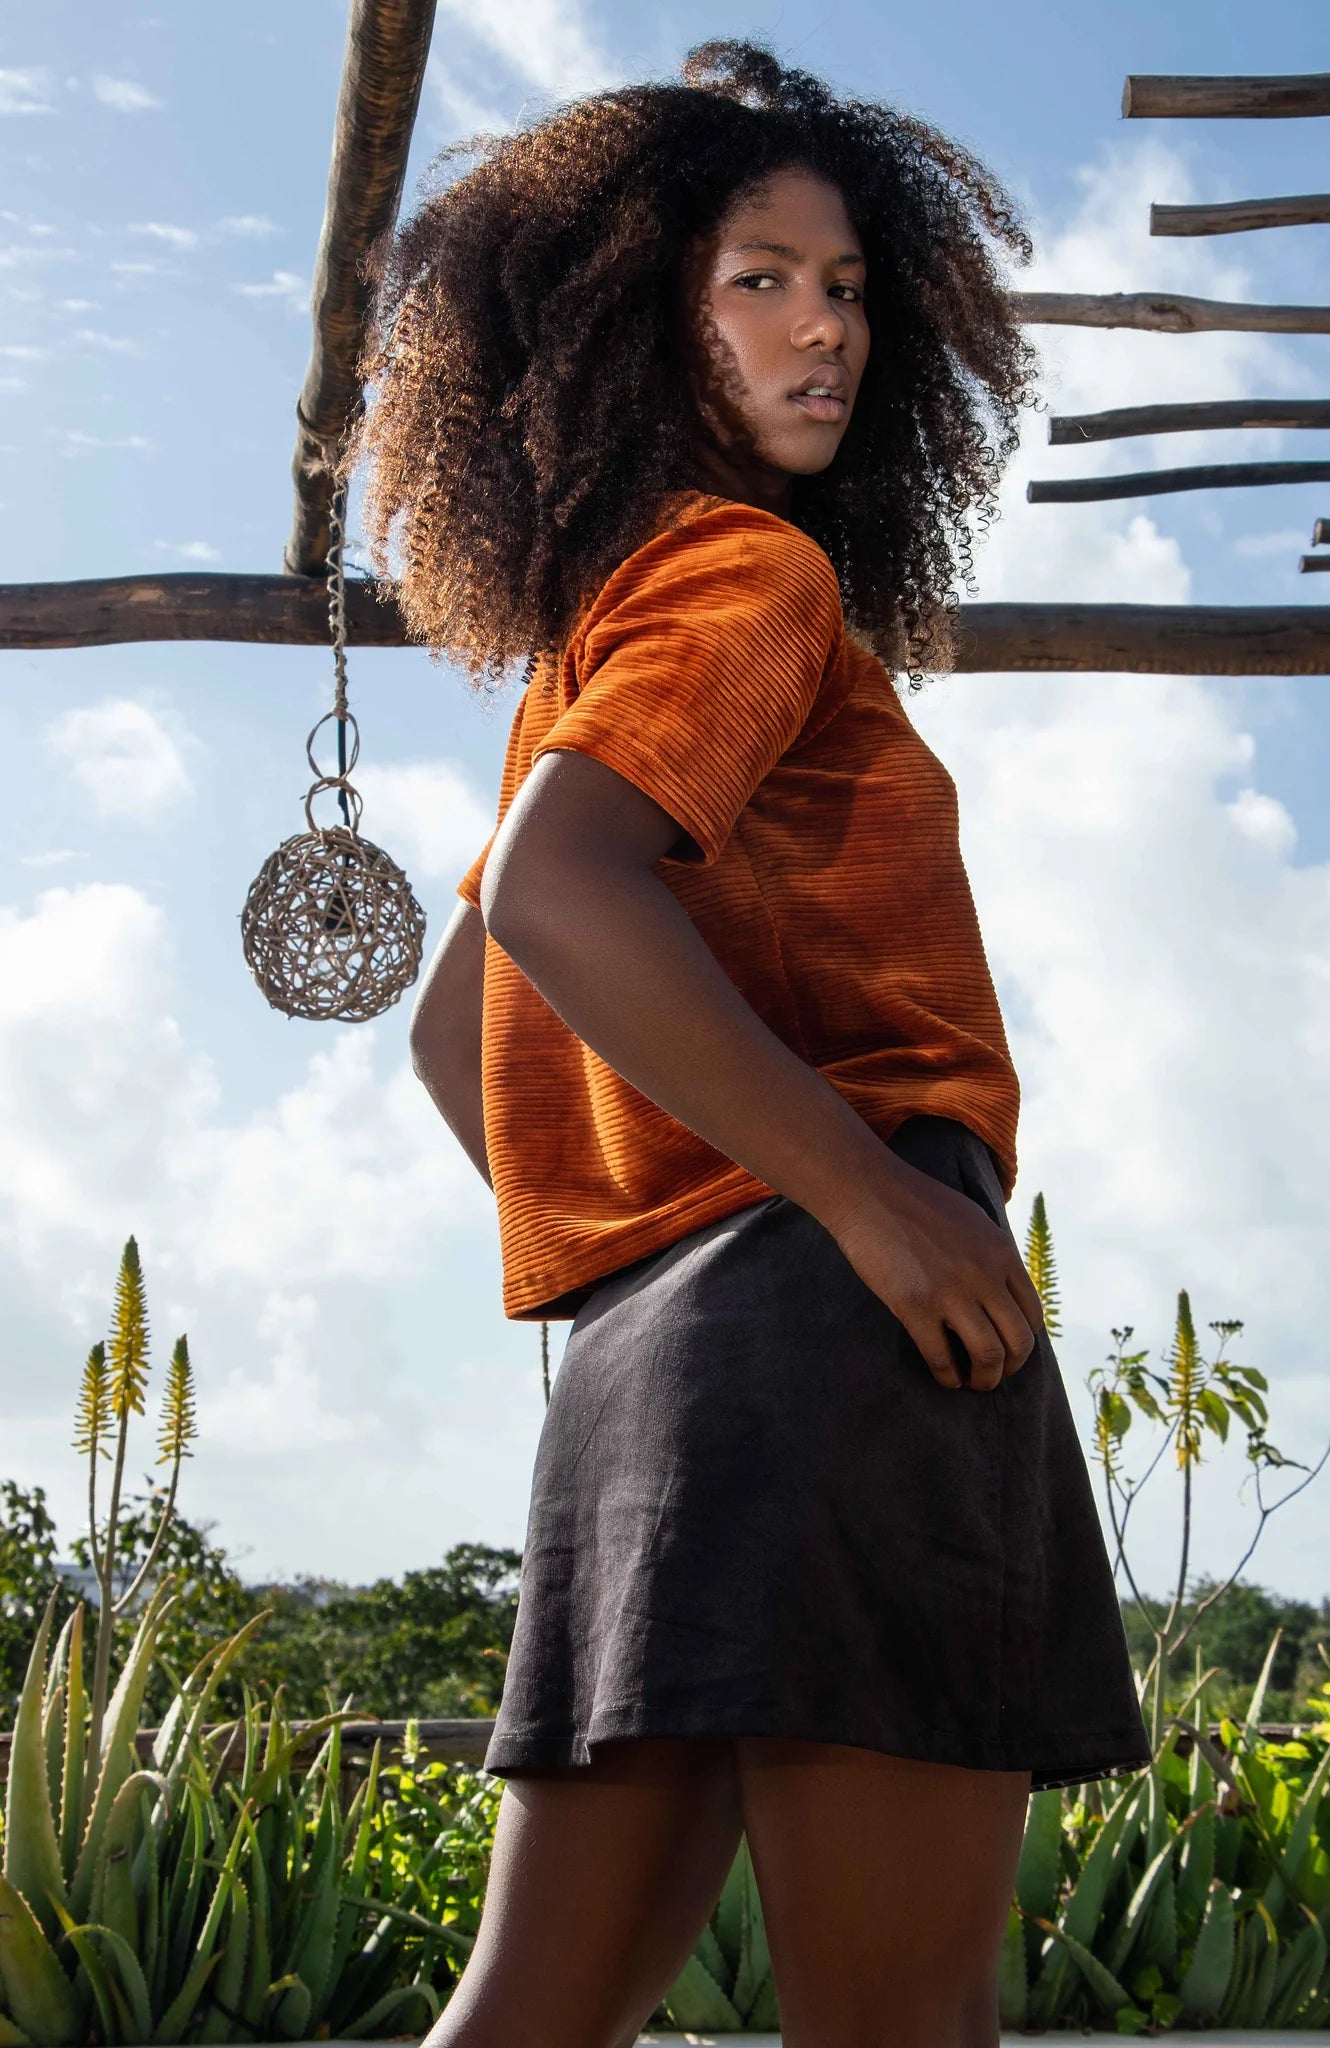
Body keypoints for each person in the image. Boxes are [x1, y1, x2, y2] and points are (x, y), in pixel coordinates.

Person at [354, 39, 1150, 2048]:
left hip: (655, 1379)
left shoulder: (599, 637)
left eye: (849, 285)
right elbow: (550, 904)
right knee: (899, 2030)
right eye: (756, 279)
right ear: (637, 314)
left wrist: (657, 1253)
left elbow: (464, 1037)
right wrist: (859, 1204)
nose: (826, 329)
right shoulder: (743, 573)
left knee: (528, 2022)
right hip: (836, 1344)